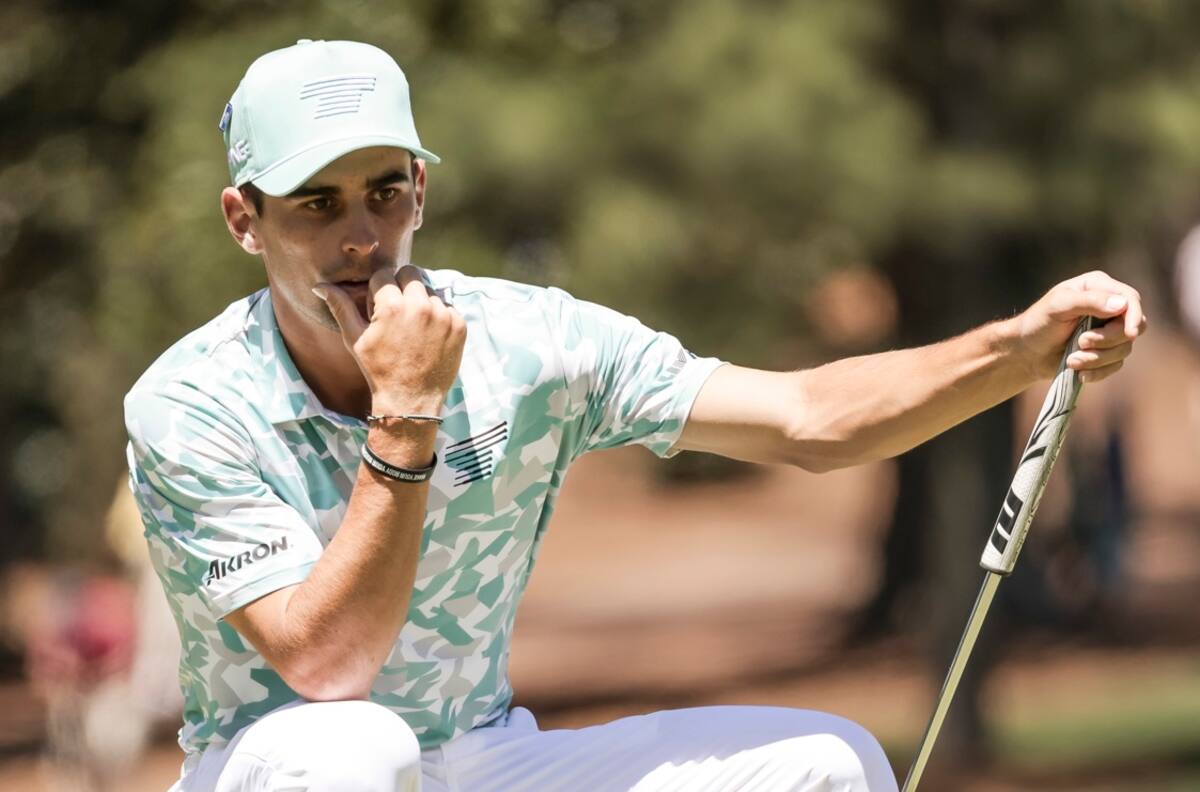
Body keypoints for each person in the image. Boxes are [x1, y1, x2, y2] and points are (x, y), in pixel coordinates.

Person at [123, 39, 1146, 792]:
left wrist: (1018, 346)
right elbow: (327, 665)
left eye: (384, 192)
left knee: (832, 765)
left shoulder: (532, 340)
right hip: (271, 765)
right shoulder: (188, 405)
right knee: (353, 750)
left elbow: (807, 418)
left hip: (481, 759)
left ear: (422, 191)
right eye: (316, 203)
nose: (362, 238)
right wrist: (407, 417)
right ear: (243, 219)